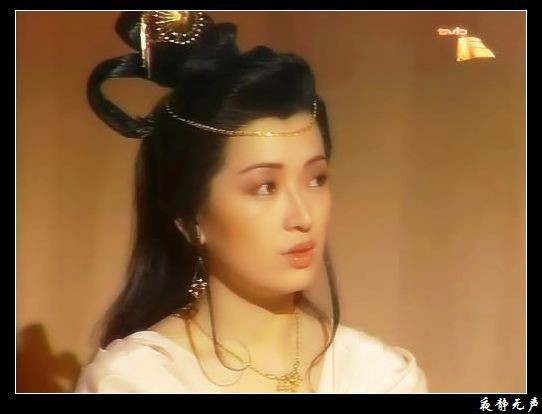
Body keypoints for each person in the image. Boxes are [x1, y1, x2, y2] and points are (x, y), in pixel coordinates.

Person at [75, 11, 427, 393]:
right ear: (190, 219)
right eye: (265, 187)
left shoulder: (378, 376)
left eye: (316, 179)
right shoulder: (137, 380)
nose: (302, 216)